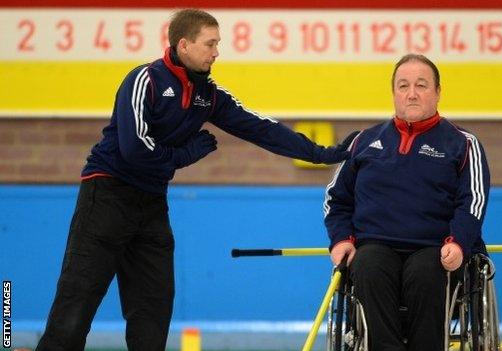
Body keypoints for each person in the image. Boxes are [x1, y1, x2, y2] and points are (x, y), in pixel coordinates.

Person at [36, 8, 356, 351]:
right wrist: (186, 155)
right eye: (210, 44)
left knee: (153, 309)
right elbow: (134, 149)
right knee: (77, 303)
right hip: (106, 196)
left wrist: (325, 154)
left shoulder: (208, 94)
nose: (217, 52)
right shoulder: (145, 80)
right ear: (184, 45)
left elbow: (260, 127)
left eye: (218, 43)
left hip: (151, 203)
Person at [324, 54, 490, 351]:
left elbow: (473, 201)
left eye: (421, 85)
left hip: (435, 247)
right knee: (368, 265)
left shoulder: (463, 144)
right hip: (375, 245)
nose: (411, 93)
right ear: (394, 93)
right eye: (403, 86)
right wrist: (340, 240)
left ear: (438, 92)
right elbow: (337, 200)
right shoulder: (362, 141)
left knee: (426, 272)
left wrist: (459, 243)